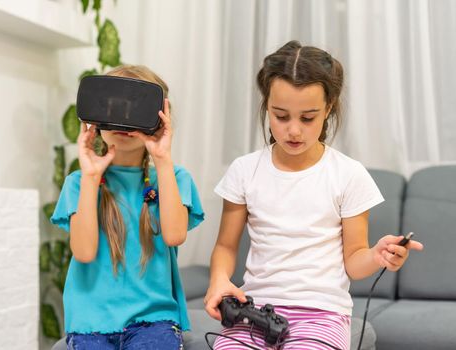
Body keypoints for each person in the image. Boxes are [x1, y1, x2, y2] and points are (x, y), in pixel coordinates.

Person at [203, 41, 423, 350]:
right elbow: (225, 246)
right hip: (255, 311)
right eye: (281, 116)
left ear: (329, 108)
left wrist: (376, 255)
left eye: (307, 118)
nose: (294, 130)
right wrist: (219, 280)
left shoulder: (348, 174)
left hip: (323, 314)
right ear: (267, 105)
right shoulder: (244, 170)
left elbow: (354, 261)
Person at [51, 64, 204, 350]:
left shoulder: (174, 178)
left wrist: (162, 158)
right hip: (90, 321)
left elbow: (174, 235)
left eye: (134, 111)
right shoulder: (79, 182)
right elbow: (83, 252)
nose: (123, 123)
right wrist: (91, 177)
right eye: (112, 109)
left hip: (153, 319)